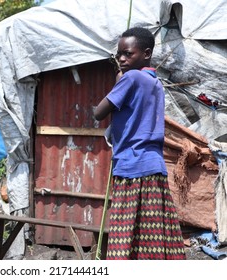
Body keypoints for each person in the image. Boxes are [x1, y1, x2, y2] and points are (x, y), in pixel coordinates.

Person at [93, 27, 186, 260]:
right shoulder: (155, 82)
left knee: (124, 240)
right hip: (154, 167)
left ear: (146, 53)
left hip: (132, 166)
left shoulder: (131, 78)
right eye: (118, 55)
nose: (121, 59)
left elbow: (99, 112)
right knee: (151, 239)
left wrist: (118, 81)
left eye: (128, 54)